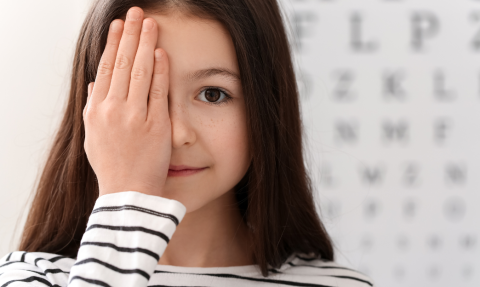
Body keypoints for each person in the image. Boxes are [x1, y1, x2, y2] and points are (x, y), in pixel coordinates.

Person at [0, 0, 374, 286]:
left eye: (213, 94)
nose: (176, 134)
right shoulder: (31, 277)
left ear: (266, 106)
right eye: (141, 93)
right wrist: (128, 198)